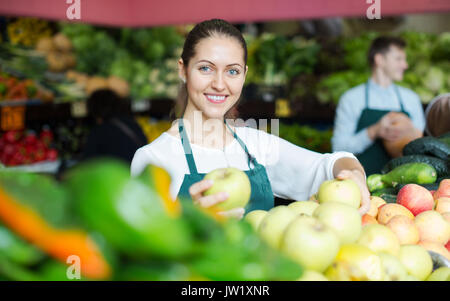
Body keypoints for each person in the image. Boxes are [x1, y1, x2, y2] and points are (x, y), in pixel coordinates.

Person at [131, 19, 371, 219]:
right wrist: (187, 221)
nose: (219, 84)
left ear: (244, 75)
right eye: (205, 68)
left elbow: (327, 167)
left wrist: (355, 174)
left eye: (232, 71)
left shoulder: (257, 146)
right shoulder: (154, 158)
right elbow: (140, 252)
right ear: (183, 70)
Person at [332, 37, 426, 175]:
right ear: (380, 60)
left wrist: (409, 131)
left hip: (404, 186)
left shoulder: (411, 99)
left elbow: (422, 145)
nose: (405, 65)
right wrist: (374, 131)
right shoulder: (351, 99)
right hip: (361, 185)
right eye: (398, 59)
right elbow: (338, 148)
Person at [81, 89, 148, 163]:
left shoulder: (99, 132)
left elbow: (88, 164)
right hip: (139, 173)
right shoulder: (133, 125)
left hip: (114, 173)